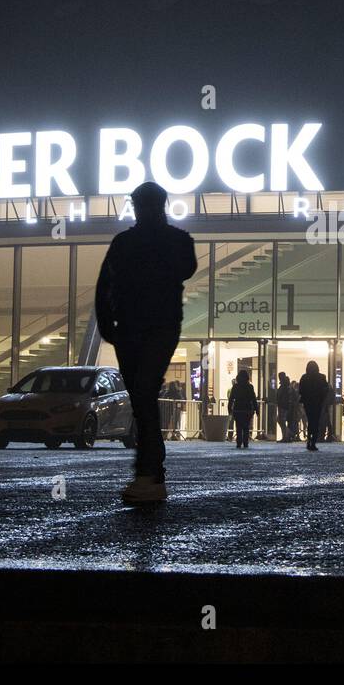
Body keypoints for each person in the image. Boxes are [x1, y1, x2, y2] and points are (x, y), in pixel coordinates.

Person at [96, 180, 198, 504]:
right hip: (154, 325)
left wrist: (105, 321)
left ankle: (149, 472)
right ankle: (151, 471)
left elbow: (105, 284)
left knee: (143, 393)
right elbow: (186, 268)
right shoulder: (175, 240)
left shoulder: (126, 242)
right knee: (143, 396)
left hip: (139, 325)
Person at [298, 361, 331, 451]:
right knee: (316, 422)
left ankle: (309, 440)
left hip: (308, 403)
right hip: (318, 403)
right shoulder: (321, 377)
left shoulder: (304, 377)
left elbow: (300, 390)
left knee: (310, 421)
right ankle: (313, 442)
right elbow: (326, 389)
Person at [229, 369, 258, 449]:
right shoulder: (250, 387)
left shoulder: (235, 387)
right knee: (246, 427)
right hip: (247, 409)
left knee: (238, 427)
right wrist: (256, 409)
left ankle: (239, 442)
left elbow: (231, 398)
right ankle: (245, 442)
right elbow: (253, 398)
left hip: (238, 409)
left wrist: (229, 409)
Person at [275, 372, 293, 441]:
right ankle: (286, 436)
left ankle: (288, 434)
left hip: (283, 405)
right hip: (284, 405)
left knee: (281, 421)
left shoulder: (284, 386)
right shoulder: (286, 385)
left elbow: (281, 396)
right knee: (281, 421)